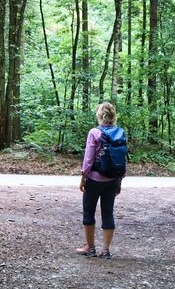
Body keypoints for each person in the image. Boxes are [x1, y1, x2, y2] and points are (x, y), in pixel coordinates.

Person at [76, 101, 124, 259]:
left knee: (89, 212)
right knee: (108, 213)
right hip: (112, 179)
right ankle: (106, 250)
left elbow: (88, 159)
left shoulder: (94, 132)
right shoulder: (119, 132)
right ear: (113, 115)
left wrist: (83, 177)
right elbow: (122, 160)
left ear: (99, 115)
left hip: (95, 179)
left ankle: (90, 248)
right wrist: (119, 181)